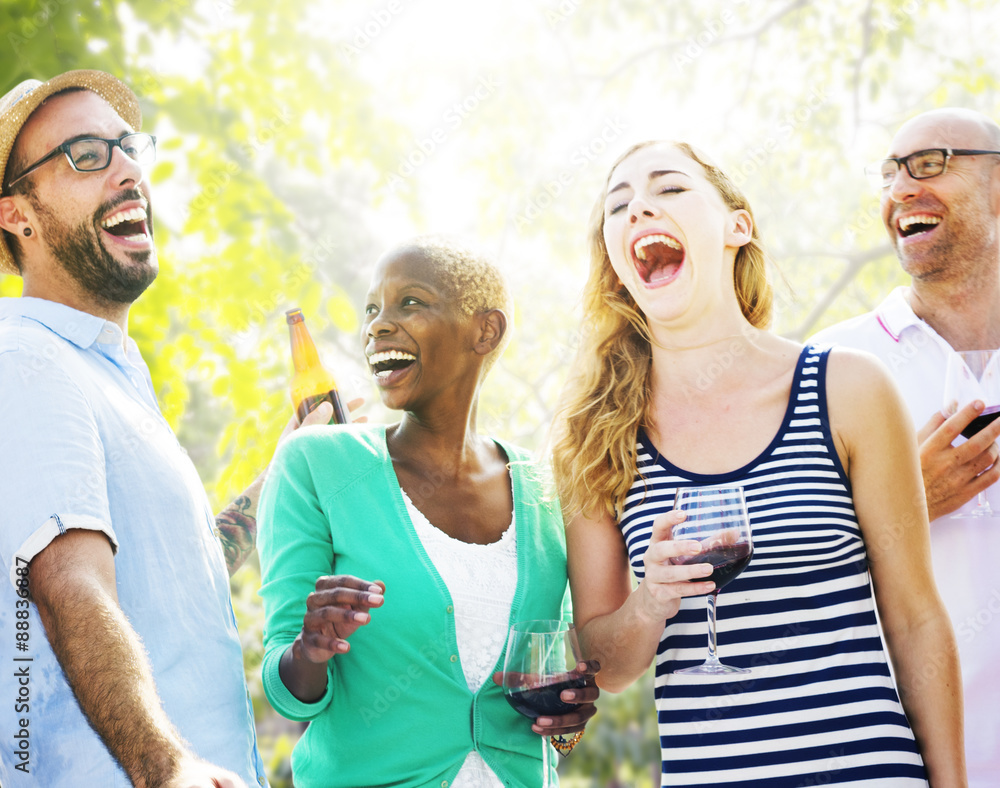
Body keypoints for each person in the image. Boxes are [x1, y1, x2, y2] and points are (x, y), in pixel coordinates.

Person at [550, 140, 966, 786]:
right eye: (619, 205)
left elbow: (916, 620)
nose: (640, 210)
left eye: (669, 189)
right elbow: (603, 663)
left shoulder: (847, 389)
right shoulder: (595, 437)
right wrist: (650, 602)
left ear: (736, 226)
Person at [0, 70, 330, 788]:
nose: (127, 170)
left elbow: (180, 569)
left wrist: (283, 473)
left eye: (127, 147)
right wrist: (165, 765)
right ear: (17, 214)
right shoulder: (24, 355)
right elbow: (69, 583)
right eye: (86, 155)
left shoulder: (108, 380)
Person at [257, 236, 598, 788]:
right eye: (372, 310)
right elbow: (285, 692)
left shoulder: (544, 488)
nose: (377, 326)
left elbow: (548, 688)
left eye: (410, 303)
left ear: (485, 330)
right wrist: (310, 648)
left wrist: (566, 716)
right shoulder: (317, 462)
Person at [810, 108, 1000, 786]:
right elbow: (779, 584)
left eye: (929, 164)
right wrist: (907, 504)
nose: (900, 190)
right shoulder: (828, 366)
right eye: (890, 173)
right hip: (891, 764)